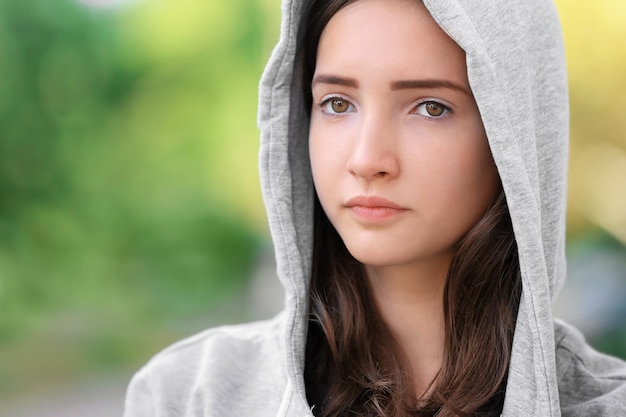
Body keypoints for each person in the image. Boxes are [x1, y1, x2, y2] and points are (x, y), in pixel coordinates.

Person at [123, 0, 626, 415]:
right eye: (338, 104)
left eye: (430, 107)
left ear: (512, 134)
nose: (367, 160)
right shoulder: (191, 395)